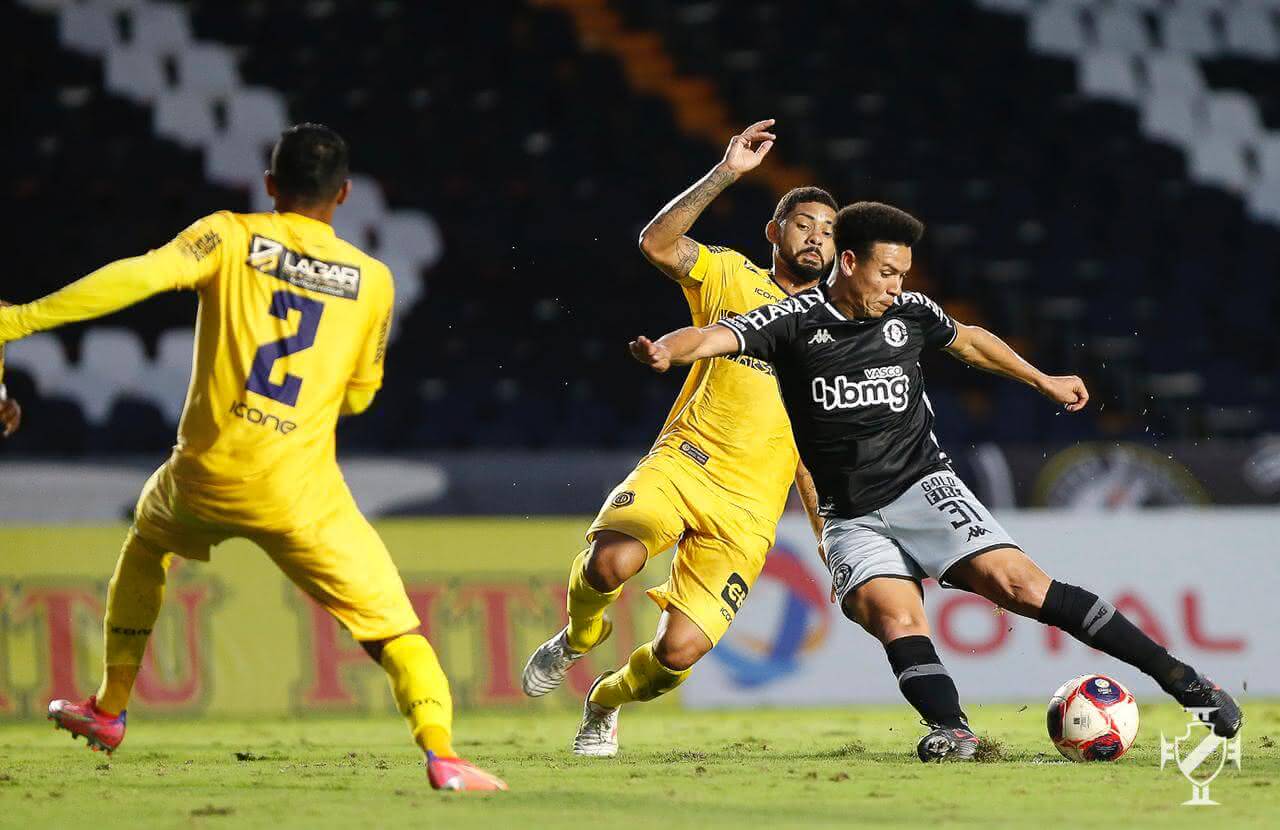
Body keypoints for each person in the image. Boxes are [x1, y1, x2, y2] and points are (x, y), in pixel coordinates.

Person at [628, 200, 1243, 761]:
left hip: (924, 486)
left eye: (903, 274)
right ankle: (953, 729)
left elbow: (969, 341)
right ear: (849, 263)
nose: (898, 287)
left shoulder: (911, 312)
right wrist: (666, 350)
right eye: (887, 273)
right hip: (851, 516)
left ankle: (1184, 680)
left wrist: (1044, 381)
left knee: (1022, 587)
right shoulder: (791, 320)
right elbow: (715, 336)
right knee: (895, 617)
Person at [0, 124, 505, 791]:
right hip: (301, 496)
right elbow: (361, 396)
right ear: (344, 194)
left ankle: (110, 709)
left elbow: (141, 276)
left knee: (149, 542)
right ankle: (443, 754)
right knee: (394, 632)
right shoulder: (373, 281)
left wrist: (23, 318)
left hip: (202, 477)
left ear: (269, 185)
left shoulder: (230, 236)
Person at [521, 120, 834, 757]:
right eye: (804, 223)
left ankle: (603, 701)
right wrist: (727, 172)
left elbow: (815, 451)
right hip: (684, 465)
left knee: (676, 654)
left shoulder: (837, 335)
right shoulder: (730, 276)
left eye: (829, 232)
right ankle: (578, 637)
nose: (817, 238)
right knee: (612, 559)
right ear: (774, 232)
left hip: (748, 512)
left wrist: (832, 537)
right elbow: (657, 243)